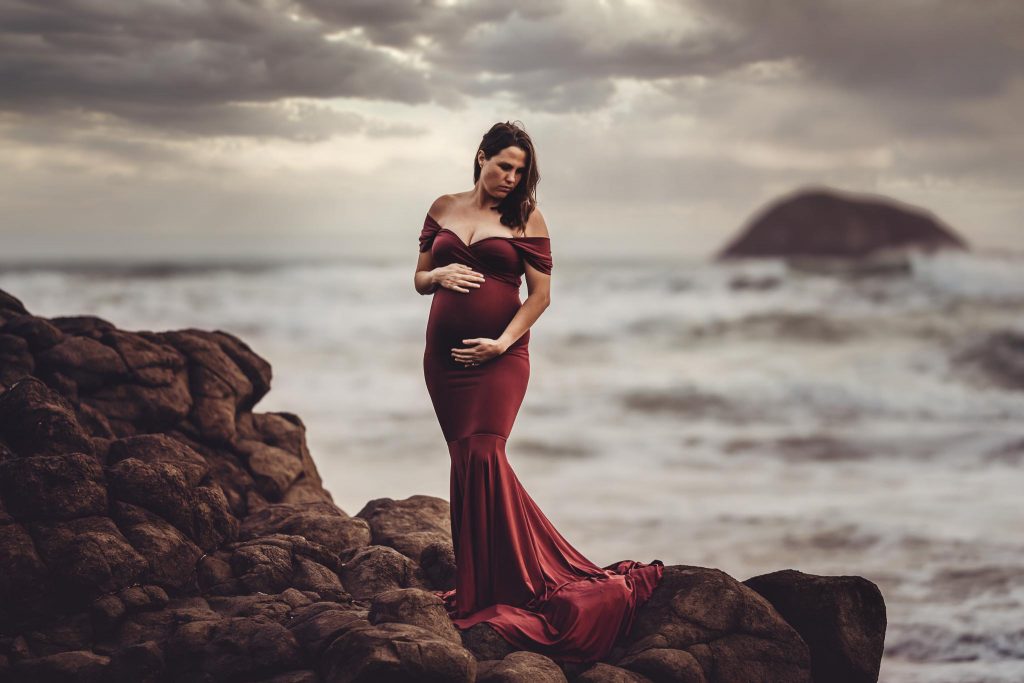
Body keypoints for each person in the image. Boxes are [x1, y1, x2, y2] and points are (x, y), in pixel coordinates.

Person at [413, 121, 664, 664]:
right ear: (480, 158)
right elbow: (418, 277)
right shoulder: (443, 207)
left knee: (485, 450)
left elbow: (541, 296)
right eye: (503, 165)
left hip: (501, 358)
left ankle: (517, 583)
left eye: (520, 170)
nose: (510, 177)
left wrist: (501, 344)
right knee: (465, 458)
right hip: (444, 361)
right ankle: (482, 585)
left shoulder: (526, 217)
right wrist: (441, 278)